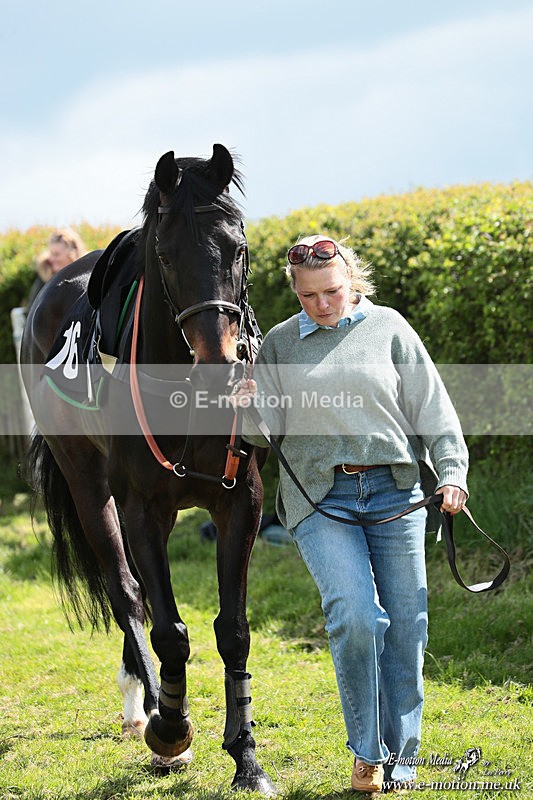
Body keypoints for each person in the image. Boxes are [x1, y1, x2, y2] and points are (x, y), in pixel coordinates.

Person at [231, 235, 468, 793]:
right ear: (294, 291)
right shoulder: (279, 345)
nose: (322, 304)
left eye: (332, 291)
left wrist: (452, 472)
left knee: (407, 625)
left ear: (351, 281)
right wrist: (244, 407)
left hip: (396, 493)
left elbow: (433, 406)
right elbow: (259, 433)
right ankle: (368, 752)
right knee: (357, 617)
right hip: (320, 499)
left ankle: (403, 757)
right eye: (309, 295)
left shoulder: (388, 327)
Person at [26, 228, 87, 310]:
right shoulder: (44, 279)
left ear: (72, 254)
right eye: (51, 253)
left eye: (56, 254)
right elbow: (32, 311)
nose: (51, 259)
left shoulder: (86, 277)